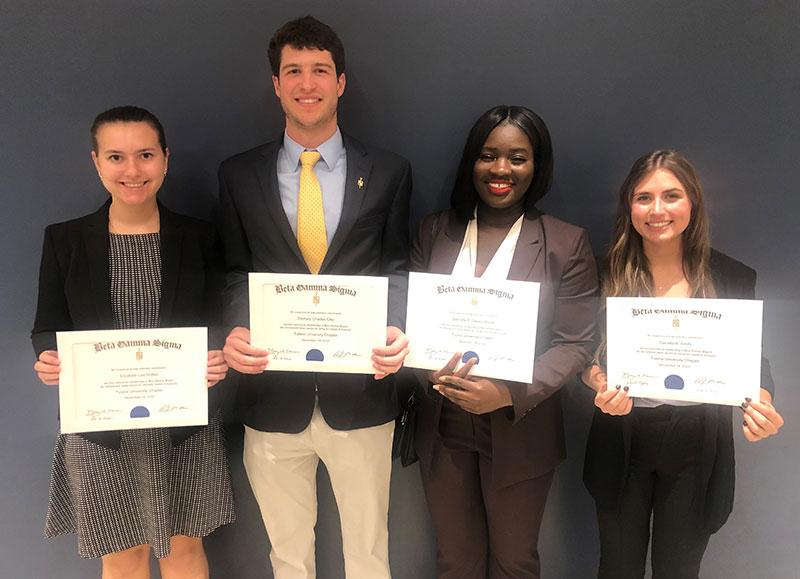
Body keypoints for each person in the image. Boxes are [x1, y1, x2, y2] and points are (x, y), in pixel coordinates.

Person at [218, 16, 411, 579]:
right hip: (271, 394)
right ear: (276, 84)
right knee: (288, 557)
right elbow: (234, 270)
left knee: (369, 554)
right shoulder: (238, 174)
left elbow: (396, 268)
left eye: (320, 70)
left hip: (363, 394)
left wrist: (396, 326)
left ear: (341, 82)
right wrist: (237, 327)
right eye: (294, 71)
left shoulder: (389, 171)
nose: (308, 84)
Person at [31, 106, 234, 579]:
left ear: (165, 158)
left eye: (145, 155)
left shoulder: (200, 236)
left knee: (184, 550)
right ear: (96, 162)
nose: (132, 170)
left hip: (184, 423)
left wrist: (217, 355)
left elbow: (216, 321)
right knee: (122, 557)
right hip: (101, 430)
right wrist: (48, 358)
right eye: (116, 157)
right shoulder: (64, 240)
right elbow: (47, 325)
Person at [409, 105, 598, 578]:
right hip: (443, 422)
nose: (500, 169)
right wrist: (424, 364)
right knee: (455, 560)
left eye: (517, 158)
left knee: (514, 562)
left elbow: (575, 343)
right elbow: (408, 321)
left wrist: (508, 392)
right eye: (488, 155)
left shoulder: (565, 242)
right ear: (471, 161)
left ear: (537, 166)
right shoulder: (435, 231)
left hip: (520, 426)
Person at [582, 150, 785, 579]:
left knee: (679, 570)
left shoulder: (732, 276)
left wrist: (761, 402)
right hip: (622, 437)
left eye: (671, 196)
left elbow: (753, 359)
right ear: (629, 206)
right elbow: (583, 354)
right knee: (616, 569)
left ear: (693, 202)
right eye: (644, 198)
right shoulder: (602, 272)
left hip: (698, 443)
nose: (657, 210)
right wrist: (597, 382)